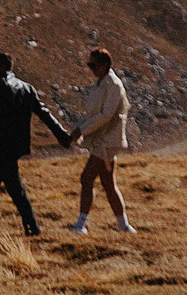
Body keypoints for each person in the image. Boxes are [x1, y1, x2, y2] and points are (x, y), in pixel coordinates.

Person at [0, 51, 72, 236]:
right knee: (0, 186)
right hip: (16, 146)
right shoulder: (27, 88)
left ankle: (28, 227)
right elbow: (45, 114)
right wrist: (62, 135)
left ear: (2, 67)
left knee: (6, 188)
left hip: (2, 145)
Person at [69, 47, 135, 234]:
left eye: (93, 65)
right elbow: (93, 114)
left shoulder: (112, 85)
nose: (91, 69)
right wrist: (79, 130)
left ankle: (81, 225)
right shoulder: (101, 84)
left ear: (104, 65)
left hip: (107, 140)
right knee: (108, 183)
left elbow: (105, 115)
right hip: (103, 139)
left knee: (86, 178)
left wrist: (81, 130)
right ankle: (124, 226)